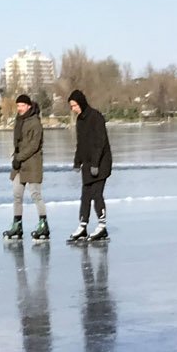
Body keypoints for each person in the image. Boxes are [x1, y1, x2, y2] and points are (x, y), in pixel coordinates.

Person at [67, 90, 112, 244]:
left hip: (101, 163)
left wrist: (95, 163)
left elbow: (100, 142)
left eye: (74, 105)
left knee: (96, 194)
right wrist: (77, 161)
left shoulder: (96, 117)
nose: (73, 109)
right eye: (71, 106)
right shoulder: (80, 120)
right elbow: (81, 143)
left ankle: (102, 225)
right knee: (85, 195)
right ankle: (83, 225)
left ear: (81, 103)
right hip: (88, 163)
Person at [3, 94, 50, 242]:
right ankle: (17, 225)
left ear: (29, 106)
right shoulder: (19, 120)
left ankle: (44, 224)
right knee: (17, 195)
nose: (19, 108)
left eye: (22, 105)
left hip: (32, 163)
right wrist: (16, 158)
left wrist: (19, 157)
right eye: (18, 106)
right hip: (19, 164)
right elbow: (18, 142)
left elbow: (33, 146)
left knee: (36, 194)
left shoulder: (35, 123)